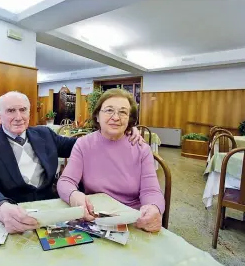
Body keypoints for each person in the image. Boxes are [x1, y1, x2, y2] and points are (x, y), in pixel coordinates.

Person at [0, 91, 143, 233]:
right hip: (14, 214)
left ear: (30, 113)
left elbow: (83, 145)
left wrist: (119, 129)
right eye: (10, 111)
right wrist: (1, 208)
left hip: (52, 211)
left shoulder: (44, 134)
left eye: (23, 110)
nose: (18, 116)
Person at [57, 88, 165, 233]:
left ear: (129, 119)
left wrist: (153, 207)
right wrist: (74, 196)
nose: (116, 117)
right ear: (97, 115)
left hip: (132, 221)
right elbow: (66, 181)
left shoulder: (141, 149)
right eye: (109, 110)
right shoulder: (84, 144)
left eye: (123, 112)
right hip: (95, 217)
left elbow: (151, 190)